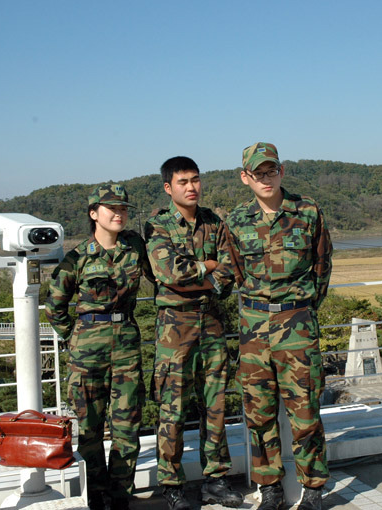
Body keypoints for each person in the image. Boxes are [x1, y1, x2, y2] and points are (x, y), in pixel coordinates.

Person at [223, 142, 332, 510]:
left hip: (297, 323)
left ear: (281, 171)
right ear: (245, 178)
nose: (266, 179)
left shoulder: (308, 211)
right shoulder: (236, 221)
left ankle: (314, 489)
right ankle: (269, 489)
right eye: (258, 173)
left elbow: (322, 266)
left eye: (271, 171)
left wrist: (299, 309)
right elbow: (235, 271)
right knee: (259, 412)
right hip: (253, 327)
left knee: (305, 411)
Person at [45, 183, 153, 510]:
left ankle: (120, 497)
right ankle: (95, 495)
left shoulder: (135, 246)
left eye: (123, 209)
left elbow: (160, 276)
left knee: (127, 427)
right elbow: (55, 307)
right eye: (111, 209)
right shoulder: (77, 258)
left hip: (127, 347)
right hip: (86, 354)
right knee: (90, 429)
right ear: (94, 214)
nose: (119, 214)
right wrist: (76, 338)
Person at [143, 156, 243, 510]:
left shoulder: (214, 222)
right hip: (175, 327)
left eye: (196, 180)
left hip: (212, 323)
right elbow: (168, 271)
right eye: (183, 181)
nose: (191, 187)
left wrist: (205, 276)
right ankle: (171, 484)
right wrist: (208, 268)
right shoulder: (157, 225)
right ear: (169, 187)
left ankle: (216, 479)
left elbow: (230, 270)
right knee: (172, 408)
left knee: (215, 404)